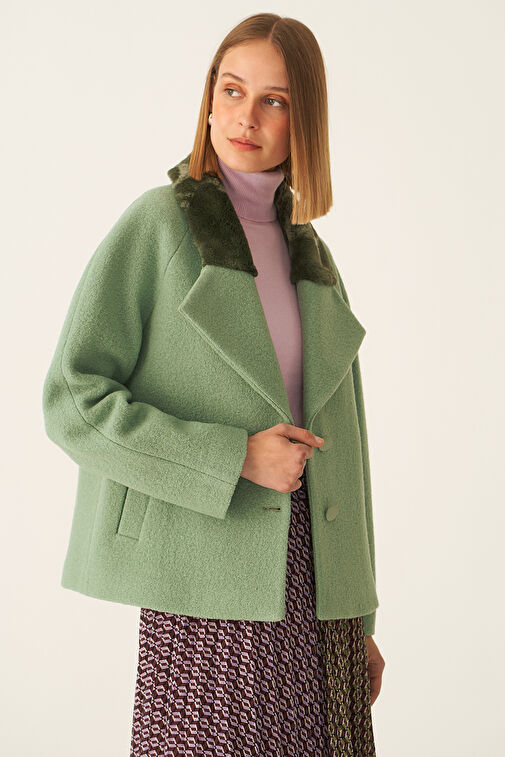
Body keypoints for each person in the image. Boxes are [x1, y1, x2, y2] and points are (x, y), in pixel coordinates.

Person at [42, 12, 385, 756]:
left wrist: (359, 618)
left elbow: (347, 449)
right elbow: (73, 400)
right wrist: (232, 456)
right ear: (207, 100)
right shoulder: (161, 226)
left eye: (273, 100)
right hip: (206, 581)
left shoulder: (312, 256)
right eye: (231, 90)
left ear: (304, 121)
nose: (245, 116)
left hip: (319, 590)